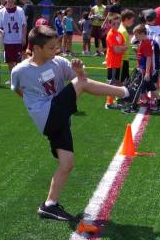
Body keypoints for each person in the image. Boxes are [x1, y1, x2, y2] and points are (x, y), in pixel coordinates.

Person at [11, 25, 136, 221]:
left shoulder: (58, 62)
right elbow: (17, 89)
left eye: (56, 47)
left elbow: (82, 80)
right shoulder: (20, 70)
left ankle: (49, 205)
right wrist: (35, 106)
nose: (56, 51)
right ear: (35, 48)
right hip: (47, 115)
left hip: (58, 118)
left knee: (67, 163)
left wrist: (79, 72)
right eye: (51, 48)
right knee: (81, 85)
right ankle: (127, 93)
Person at [128, 24, 160, 113]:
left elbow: (149, 58)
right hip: (143, 69)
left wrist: (146, 73)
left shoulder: (146, 43)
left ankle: (133, 107)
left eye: (136, 35)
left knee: (139, 87)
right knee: (152, 87)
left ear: (142, 33)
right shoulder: (143, 42)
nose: (135, 37)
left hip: (145, 71)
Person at [0, 0, 27, 84]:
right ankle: (12, 78)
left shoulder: (20, 10)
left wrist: (24, 37)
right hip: (7, 40)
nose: (11, 0)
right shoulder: (2, 12)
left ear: (15, 0)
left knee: (18, 61)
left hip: (17, 39)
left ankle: (19, 78)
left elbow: (24, 25)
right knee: (9, 61)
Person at [104, 12, 127, 109]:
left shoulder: (119, 34)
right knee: (111, 82)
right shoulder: (110, 34)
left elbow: (125, 47)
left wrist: (120, 48)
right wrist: (120, 48)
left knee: (116, 80)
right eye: (114, 24)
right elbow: (116, 49)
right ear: (110, 24)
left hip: (118, 61)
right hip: (112, 62)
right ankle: (109, 103)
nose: (116, 25)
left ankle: (115, 99)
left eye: (118, 23)